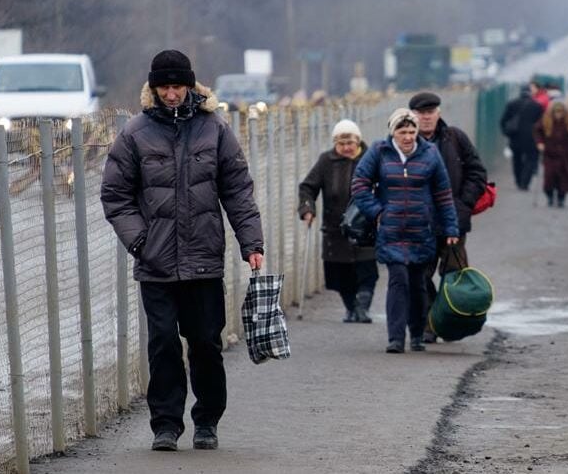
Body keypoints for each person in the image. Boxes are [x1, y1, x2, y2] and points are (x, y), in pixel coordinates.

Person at [101, 50, 264, 452]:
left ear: (191, 87)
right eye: (165, 87)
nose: (172, 94)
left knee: (207, 344)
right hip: (155, 263)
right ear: (153, 89)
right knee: (163, 344)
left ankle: (207, 420)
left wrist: (251, 243)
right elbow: (115, 195)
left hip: (204, 261)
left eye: (178, 86)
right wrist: (139, 241)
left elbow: (237, 190)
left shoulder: (215, 130)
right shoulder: (134, 133)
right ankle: (166, 424)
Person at [352, 108, 459, 354]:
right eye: (403, 131)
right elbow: (359, 184)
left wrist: (451, 226)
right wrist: (378, 212)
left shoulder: (430, 154)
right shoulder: (379, 152)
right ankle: (396, 338)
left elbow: (443, 194)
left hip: (421, 230)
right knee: (398, 280)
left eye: (412, 131)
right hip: (391, 231)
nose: (408, 136)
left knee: (419, 284)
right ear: (393, 132)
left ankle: (418, 334)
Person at [409, 92, 487, 342]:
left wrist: (463, 204)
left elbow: (477, 172)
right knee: (419, 276)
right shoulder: (405, 142)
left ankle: (452, 322)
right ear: (413, 116)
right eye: (422, 113)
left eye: (430, 112)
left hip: (454, 221)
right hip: (419, 224)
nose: (426, 117)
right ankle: (431, 323)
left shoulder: (455, 138)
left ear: (438, 113)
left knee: (454, 275)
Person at [297, 119, 379, 323]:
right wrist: (308, 208)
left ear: (358, 141)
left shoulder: (370, 159)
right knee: (340, 273)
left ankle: (362, 307)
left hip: (364, 226)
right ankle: (351, 308)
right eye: (341, 144)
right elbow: (308, 187)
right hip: (335, 228)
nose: (346, 148)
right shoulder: (326, 161)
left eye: (350, 143)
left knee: (367, 270)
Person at [533, 101, 568, 207]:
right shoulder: (545, 120)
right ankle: (549, 196)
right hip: (550, 154)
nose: (558, 115)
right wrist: (540, 143)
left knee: (563, 178)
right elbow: (537, 131)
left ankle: (561, 198)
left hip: (565, 155)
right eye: (556, 112)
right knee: (549, 176)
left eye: (561, 112)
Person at [500, 84, 544, 191]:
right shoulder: (537, 106)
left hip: (515, 137)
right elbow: (541, 124)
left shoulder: (512, 104)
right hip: (532, 138)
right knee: (531, 159)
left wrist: (507, 133)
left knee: (516, 159)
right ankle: (525, 182)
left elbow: (503, 121)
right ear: (530, 93)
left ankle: (518, 180)